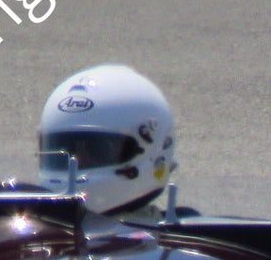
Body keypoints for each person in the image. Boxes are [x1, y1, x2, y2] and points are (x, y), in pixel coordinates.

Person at [37, 64, 178, 219]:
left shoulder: (174, 241)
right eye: (67, 148)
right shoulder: (31, 227)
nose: (77, 160)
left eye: (96, 148)